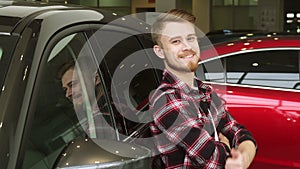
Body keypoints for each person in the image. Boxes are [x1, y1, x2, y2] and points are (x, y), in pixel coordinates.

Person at [149, 9, 257, 169]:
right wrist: (227, 145)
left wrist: (244, 156)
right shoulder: (166, 101)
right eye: (176, 41)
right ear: (160, 51)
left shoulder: (204, 90)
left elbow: (238, 131)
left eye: (191, 38)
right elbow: (213, 160)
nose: (187, 46)